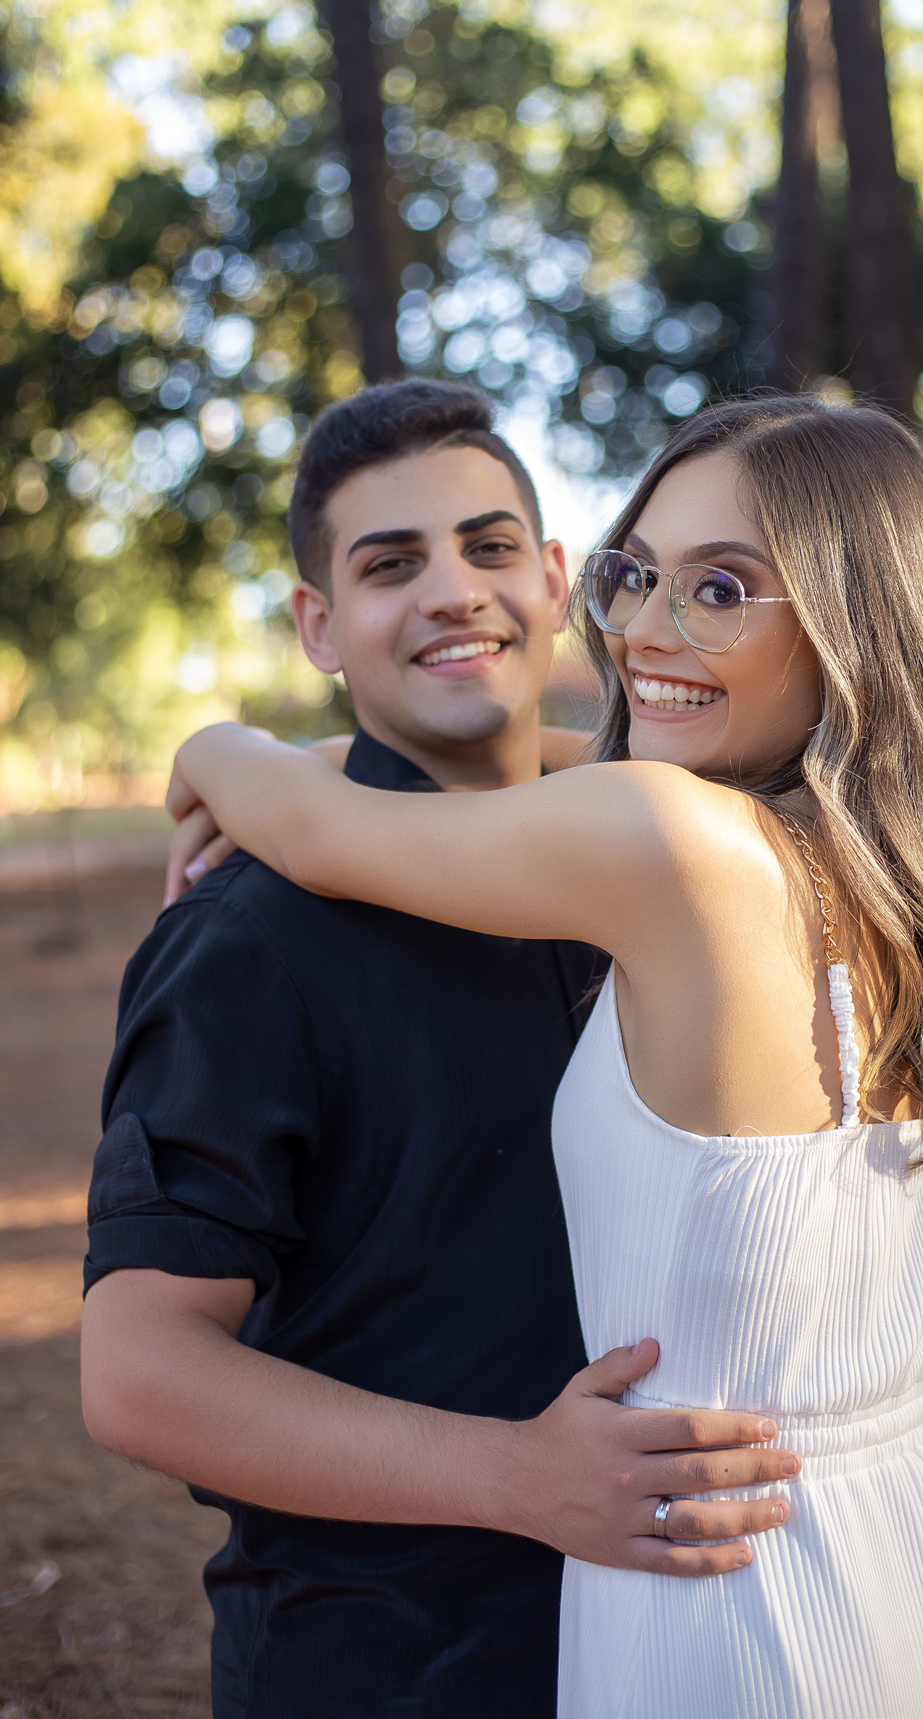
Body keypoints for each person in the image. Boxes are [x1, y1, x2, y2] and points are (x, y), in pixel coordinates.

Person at [162, 392, 923, 1719]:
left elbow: (323, 836)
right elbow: (603, 752)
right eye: (639, 574)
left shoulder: (668, 845)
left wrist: (219, 748)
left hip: (733, 1600)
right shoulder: (904, 868)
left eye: (720, 589)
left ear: (852, 622)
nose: (647, 630)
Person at [78, 380, 803, 1719]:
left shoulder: (670, 866)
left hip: (699, 1638)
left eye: (486, 547)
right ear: (319, 625)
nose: (453, 592)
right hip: (394, 1662)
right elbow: (138, 1374)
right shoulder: (249, 935)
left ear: (555, 581)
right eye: (390, 565)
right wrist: (516, 1476)